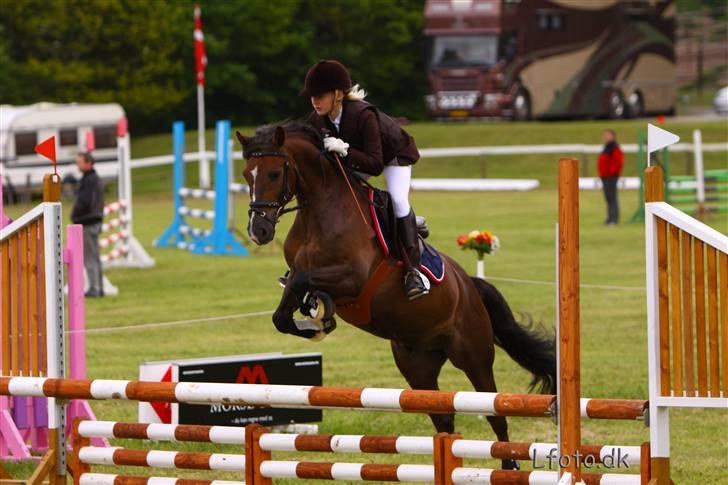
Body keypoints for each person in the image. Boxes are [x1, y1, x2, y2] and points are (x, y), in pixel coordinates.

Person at [301, 59, 429, 300]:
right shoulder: (317, 119)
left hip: (393, 157)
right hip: (359, 157)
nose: (314, 101)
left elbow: (375, 165)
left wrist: (345, 150)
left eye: (320, 95)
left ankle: (413, 272)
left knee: (399, 200)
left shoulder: (363, 115)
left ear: (338, 94)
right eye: (312, 96)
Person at [71, 152, 105, 297]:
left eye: (80, 162)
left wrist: (75, 215)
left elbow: (84, 202)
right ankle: (99, 287)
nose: (78, 165)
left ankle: (94, 288)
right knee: (95, 257)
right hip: (95, 220)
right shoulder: (94, 178)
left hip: (88, 221)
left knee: (90, 257)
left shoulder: (89, 180)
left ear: (89, 163)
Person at [597, 129, 624, 225]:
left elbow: (618, 162)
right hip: (605, 176)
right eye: (605, 135)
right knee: (608, 198)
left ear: (613, 136)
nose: (606, 137)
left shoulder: (614, 148)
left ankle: (614, 219)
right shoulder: (607, 148)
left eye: (608, 135)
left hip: (611, 177)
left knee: (612, 197)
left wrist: (611, 173)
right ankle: (609, 218)